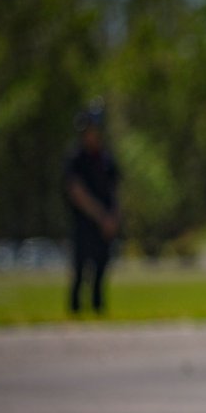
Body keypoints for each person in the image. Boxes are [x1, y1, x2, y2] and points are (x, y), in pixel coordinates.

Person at [64, 101, 120, 315]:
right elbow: (76, 192)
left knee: (101, 270)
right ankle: (75, 313)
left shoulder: (106, 158)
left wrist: (114, 216)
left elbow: (115, 190)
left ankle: (98, 311)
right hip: (84, 223)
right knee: (79, 271)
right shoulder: (76, 158)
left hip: (105, 224)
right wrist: (101, 216)